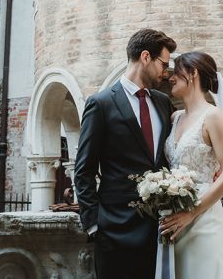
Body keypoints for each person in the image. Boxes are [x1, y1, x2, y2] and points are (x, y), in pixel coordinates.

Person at [74, 28, 176, 279]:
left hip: (158, 230)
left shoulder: (163, 103)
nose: (166, 73)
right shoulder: (101, 103)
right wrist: (94, 225)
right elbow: (84, 169)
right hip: (114, 231)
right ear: (145, 57)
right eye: (163, 64)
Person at [158, 51, 223, 279]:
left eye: (177, 73)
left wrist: (191, 212)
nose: (171, 78)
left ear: (193, 74)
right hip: (174, 220)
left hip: (203, 220)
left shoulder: (213, 117)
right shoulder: (175, 119)